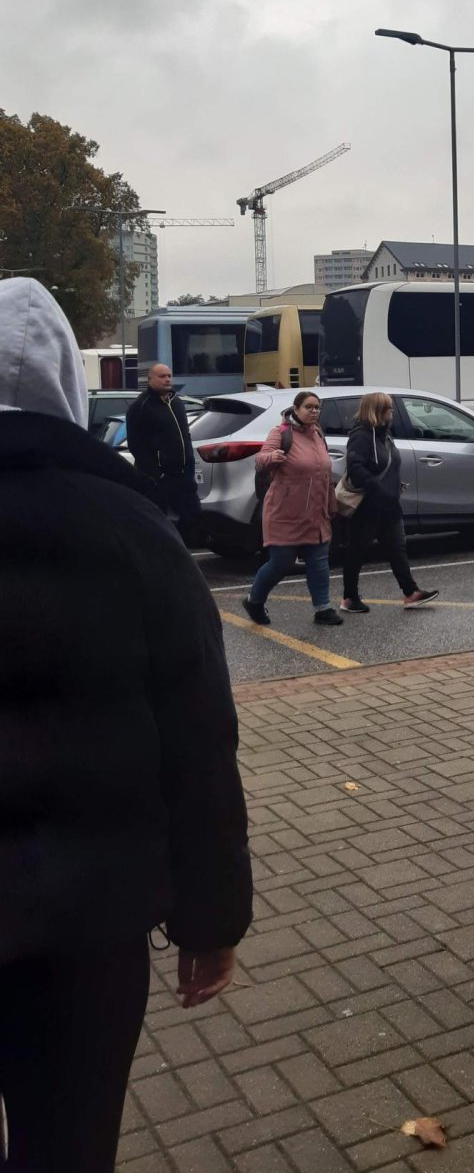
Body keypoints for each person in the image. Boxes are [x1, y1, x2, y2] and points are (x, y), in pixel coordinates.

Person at [0, 279, 253, 1171]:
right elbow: (199, 740)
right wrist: (210, 919)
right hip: (87, 923)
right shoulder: (133, 528)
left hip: (85, 916)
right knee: (68, 1145)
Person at [243, 391, 342, 627]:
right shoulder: (281, 433)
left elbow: (324, 473)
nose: (314, 411)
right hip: (285, 512)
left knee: (319, 561)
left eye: (317, 407)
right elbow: (260, 460)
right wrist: (272, 457)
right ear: (296, 409)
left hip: (316, 511)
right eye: (309, 407)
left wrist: (331, 504)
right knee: (281, 563)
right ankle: (254, 600)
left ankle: (323, 608)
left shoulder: (317, 433)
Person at [340, 391, 437, 613]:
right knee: (358, 551)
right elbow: (356, 469)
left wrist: (394, 485)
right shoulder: (361, 436)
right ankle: (349, 598)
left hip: (389, 505)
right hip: (368, 506)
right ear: (377, 410)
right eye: (388, 407)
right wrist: (379, 488)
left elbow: (387, 465)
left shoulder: (385, 434)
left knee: (397, 548)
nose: (391, 411)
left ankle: (410, 592)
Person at [125, 361, 201, 538]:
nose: (167, 379)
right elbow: (136, 445)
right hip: (159, 478)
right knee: (156, 523)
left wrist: (190, 462)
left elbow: (185, 435)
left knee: (193, 517)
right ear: (150, 379)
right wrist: (156, 474)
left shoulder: (177, 403)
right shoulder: (140, 407)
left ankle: (182, 549)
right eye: (162, 376)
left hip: (183, 474)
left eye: (169, 376)